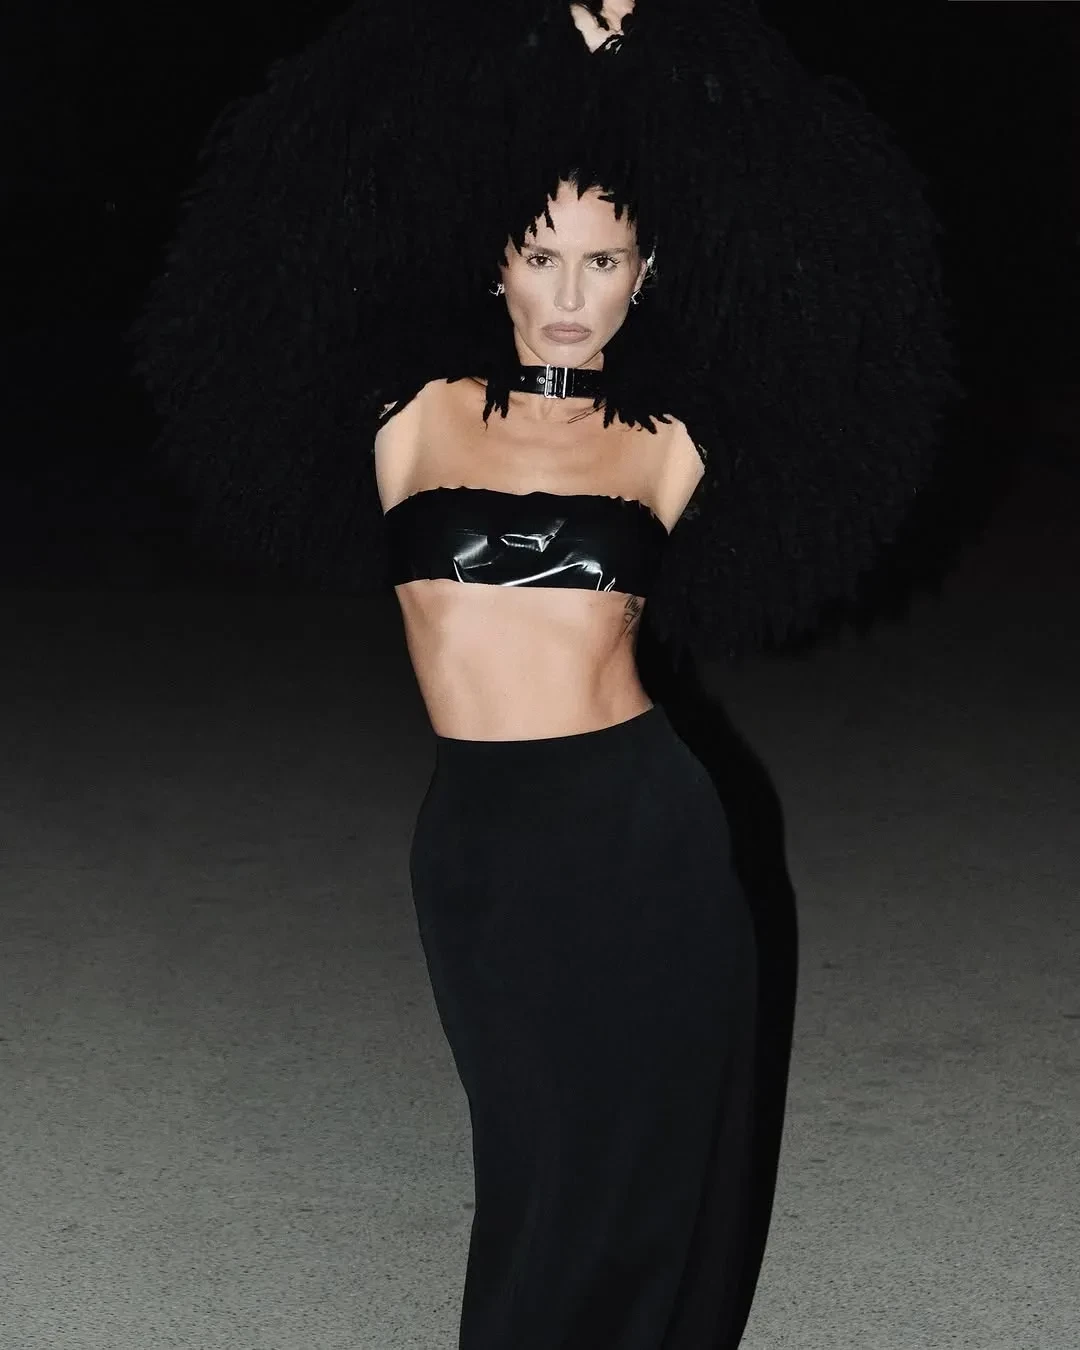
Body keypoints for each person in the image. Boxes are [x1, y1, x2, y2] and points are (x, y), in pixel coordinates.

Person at [129, 2, 957, 1344]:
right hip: (481, 841)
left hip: (645, 829)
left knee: (635, 1178)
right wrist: (526, 52)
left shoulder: (671, 443)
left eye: (605, 260)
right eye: (542, 255)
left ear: (649, 272)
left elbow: (848, 292)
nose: (572, 297)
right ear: (494, 261)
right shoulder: (409, 416)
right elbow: (283, 224)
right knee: (536, 1161)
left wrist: (667, 65)